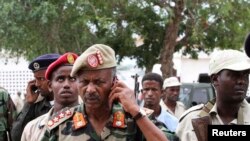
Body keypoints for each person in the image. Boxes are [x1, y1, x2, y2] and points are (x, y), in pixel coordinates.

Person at [40, 44, 177, 141]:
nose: (91, 89)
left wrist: (135, 111)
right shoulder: (60, 125)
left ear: (114, 82)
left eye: (99, 82)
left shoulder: (136, 120)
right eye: (84, 82)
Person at [175, 49, 250, 141]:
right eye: (234, 75)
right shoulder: (191, 120)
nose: (241, 81)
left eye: (245, 75)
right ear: (215, 79)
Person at [21, 52, 80, 141]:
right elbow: (16, 135)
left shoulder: (95, 122)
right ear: (50, 85)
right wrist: (28, 104)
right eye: (60, 79)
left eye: (72, 79)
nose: (66, 85)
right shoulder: (33, 125)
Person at [11, 53, 60, 141]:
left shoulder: (74, 102)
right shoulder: (36, 105)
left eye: (41, 79)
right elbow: (16, 137)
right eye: (35, 79)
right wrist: (29, 104)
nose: (37, 84)